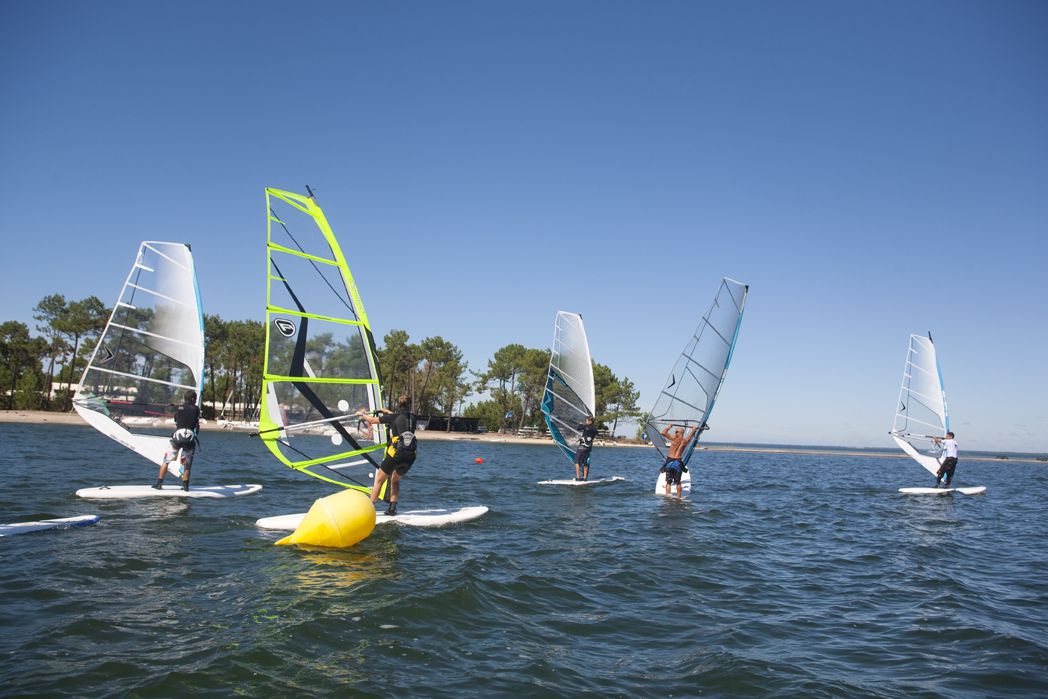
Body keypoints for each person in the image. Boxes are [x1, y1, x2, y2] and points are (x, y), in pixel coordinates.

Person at [357, 395, 417, 516]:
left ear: (399, 405)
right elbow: (400, 417)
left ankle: (369, 510)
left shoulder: (393, 417)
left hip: (397, 454)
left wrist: (361, 414)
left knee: (379, 480)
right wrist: (387, 412)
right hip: (410, 456)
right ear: (410, 405)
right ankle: (392, 508)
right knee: (395, 480)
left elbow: (372, 420)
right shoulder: (414, 418)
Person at [154, 389, 201, 491]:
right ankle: (185, 486)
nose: (196, 400)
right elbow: (197, 424)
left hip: (177, 438)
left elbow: (176, 419)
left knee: (166, 461)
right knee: (186, 465)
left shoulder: (178, 408)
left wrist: (177, 406)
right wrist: (196, 434)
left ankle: (159, 484)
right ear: (193, 399)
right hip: (189, 440)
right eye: (195, 398)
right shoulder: (196, 409)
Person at [658, 422, 705, 497]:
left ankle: (668, 496)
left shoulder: (674, 439)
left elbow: (663, 432)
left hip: (670, 461)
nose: (675, 432)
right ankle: (678, 498)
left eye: (676, 431)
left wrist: (669, 426)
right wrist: (693, 429)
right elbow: (691, 435)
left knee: (668, 482)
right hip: (678, 462)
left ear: (680, 433)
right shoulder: (685, 441)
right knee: (678, 482)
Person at [574, 415, 598, 481]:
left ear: (590, 421)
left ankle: (578, 477)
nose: (585, 422)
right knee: (586, 463)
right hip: (588, 448)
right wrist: (585, 425)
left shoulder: (586, 426)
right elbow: (595, 431)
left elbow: (578, 428)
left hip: (582, 448)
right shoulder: (594, 428)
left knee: (577, 462)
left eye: (586, 421)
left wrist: (581, 424)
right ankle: (585, 478)